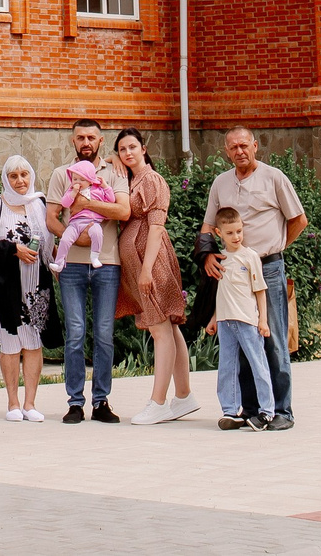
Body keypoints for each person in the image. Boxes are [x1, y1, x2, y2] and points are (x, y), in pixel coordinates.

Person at [203, 126, 307, 430]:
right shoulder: (221, 183)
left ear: (255, 146)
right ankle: (250, 410)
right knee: (241, 342)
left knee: (272, 339)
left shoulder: (274, 178)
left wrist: (276, 247)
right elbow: (208, 226)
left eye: (244, 145)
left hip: (267, 268)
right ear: (226, 152)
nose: (240, 151)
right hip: (232, 273)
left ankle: (282, 411)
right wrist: (208, 255)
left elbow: (299, 220)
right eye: (233, 147)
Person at [112, 129, 201, 425]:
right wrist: (113, 160)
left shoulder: (151, 180)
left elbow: (156, 227)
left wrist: (147, 269)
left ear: (144, 148)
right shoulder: (131, 179)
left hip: (153, 261)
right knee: (168, 329)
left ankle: (158, 402)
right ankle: (184, 396)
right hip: (140, 263)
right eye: (122, 149)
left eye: (132, 147)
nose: (128, 153)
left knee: (160, 329)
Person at [46, 117, 128, 424]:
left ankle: (101, 401)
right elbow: (51, 217)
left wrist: (86, 204)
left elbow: (123, 210)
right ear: (73, 141)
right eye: (80, 137)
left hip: (107, 263)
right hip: (72, 266)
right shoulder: (61, 174)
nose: (86, 142)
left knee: (104, 334)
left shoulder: (115, 172)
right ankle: (75, 402)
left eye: (91, 138)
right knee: (76, 333)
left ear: (100, 141)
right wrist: (72, 235)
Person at [0, 153, 52, 422]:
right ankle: (13, 403)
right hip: (7, 285)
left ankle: (30, 404)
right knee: (10, 342)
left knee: (33, 342)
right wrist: (13, 249)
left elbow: (50, 243)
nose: (20, 181)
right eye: (14, 176)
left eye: (24, 174)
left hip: (36, 286)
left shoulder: (40, 203)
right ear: (6, 179)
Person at [204, 207, 283, 431]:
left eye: (239, 231)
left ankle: (266, 411)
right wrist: (214, 318)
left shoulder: (250, 257)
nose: (236, 237)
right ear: (219, 233)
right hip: (225, 321)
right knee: (227, 367)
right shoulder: (220, 258)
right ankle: (230, 410)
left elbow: (260, 291)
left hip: (247, 320)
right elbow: (222, 292)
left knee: (258, 364)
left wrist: (263, 320)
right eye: (230, 233)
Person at [48, 160, 117, 269]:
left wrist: (105, 187)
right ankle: (59, 262)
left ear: (90, 180)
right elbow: (65, 203)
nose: (78, 182)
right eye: (75, 179)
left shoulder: (98, 190)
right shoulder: (71, 190)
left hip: (93, 222)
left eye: (82, 179)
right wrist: (73, 193)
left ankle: (95, 256)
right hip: (75, 223)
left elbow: (111, 200)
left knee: (97, 233)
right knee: (65, 239)